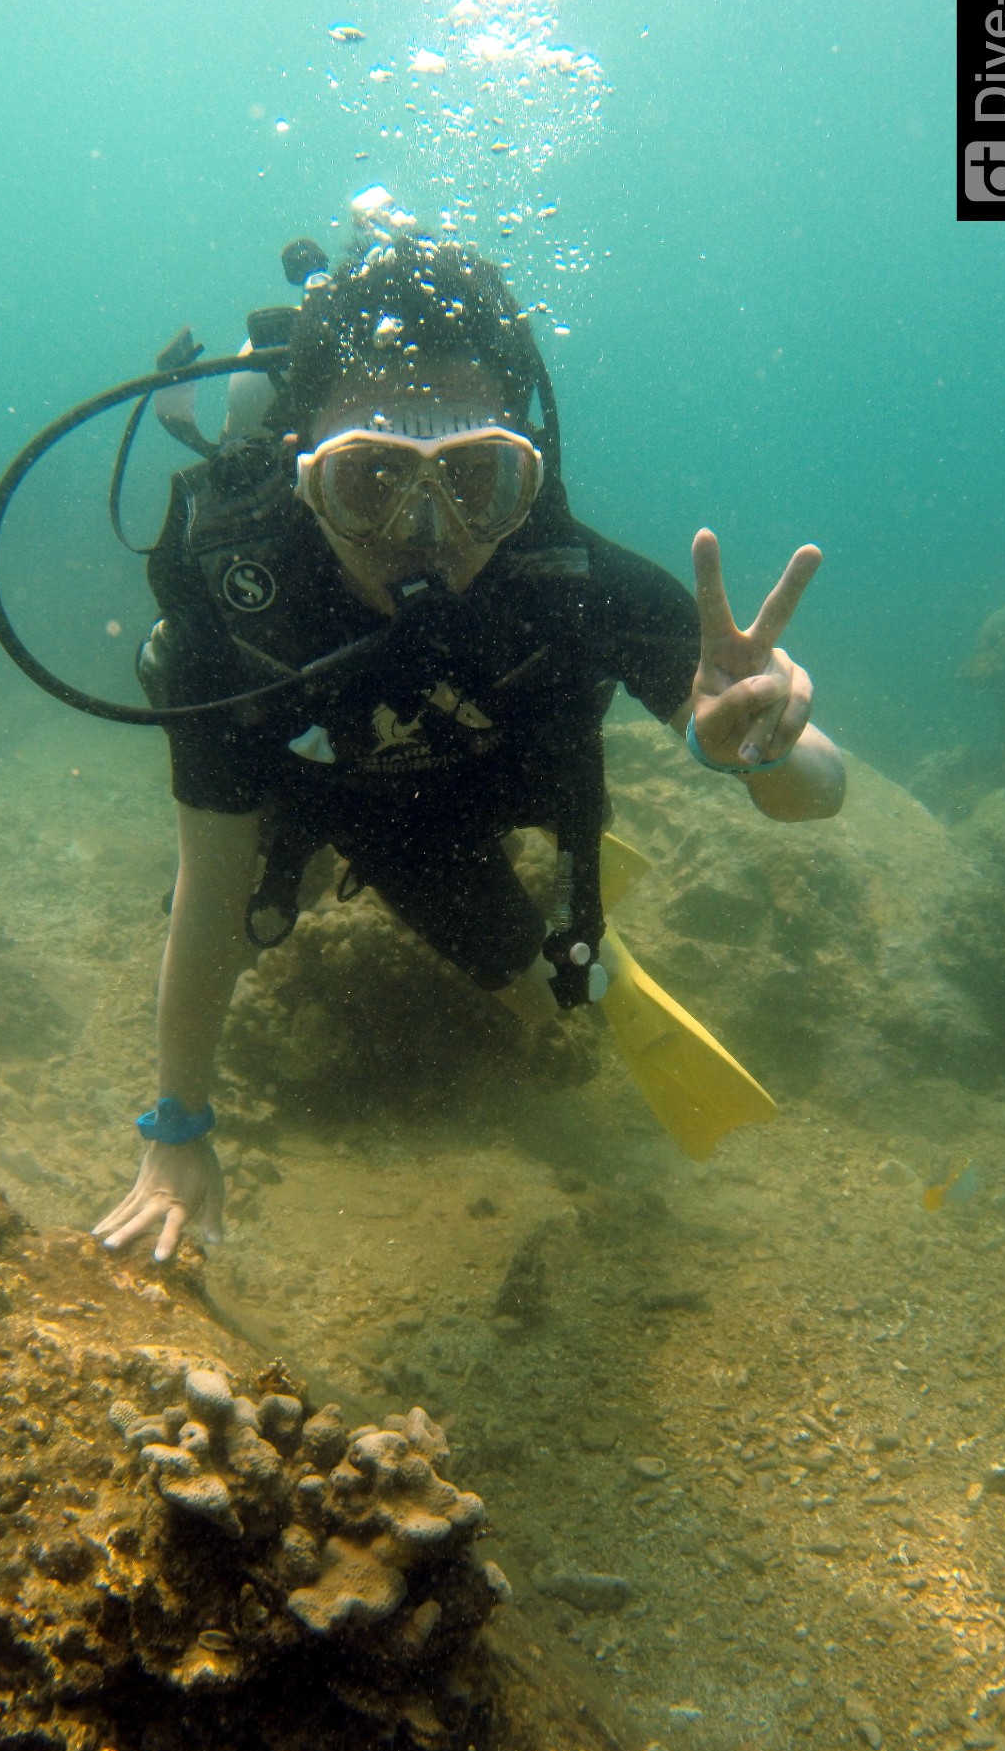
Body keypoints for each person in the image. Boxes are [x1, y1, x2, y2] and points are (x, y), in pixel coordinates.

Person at [94, 224, 845, 1263]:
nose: (427, 529)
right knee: (228, 909)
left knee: (550, 1005)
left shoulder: (572, 580)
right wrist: (178, 1126)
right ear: (299, 468)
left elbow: (822, 790)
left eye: (475, 479)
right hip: (328, 786)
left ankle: (482, 903)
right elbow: (211, 876)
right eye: (370, 480)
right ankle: (313, 860)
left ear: (523, 474)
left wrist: (768, 744)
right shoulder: (238, 603)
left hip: (467, 797)